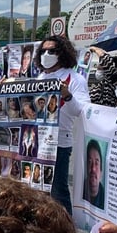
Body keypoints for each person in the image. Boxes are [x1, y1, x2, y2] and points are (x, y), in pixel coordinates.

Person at [36, 35, 90, 214]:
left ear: (62, 53)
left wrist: (67, 95)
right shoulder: (40, 77)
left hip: (59, 143)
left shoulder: (74, 79)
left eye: (51, 51)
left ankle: (67, 231)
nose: (46, 54)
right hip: (37, 140)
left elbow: (82, 112)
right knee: (38, 189)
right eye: (43, 51)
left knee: (58, 190)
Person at [84, 139, 105, 209]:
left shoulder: (105, 198)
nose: (93, 169)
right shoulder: (80, 188)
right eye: (90, 162)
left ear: (101, 170)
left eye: (96, 163)